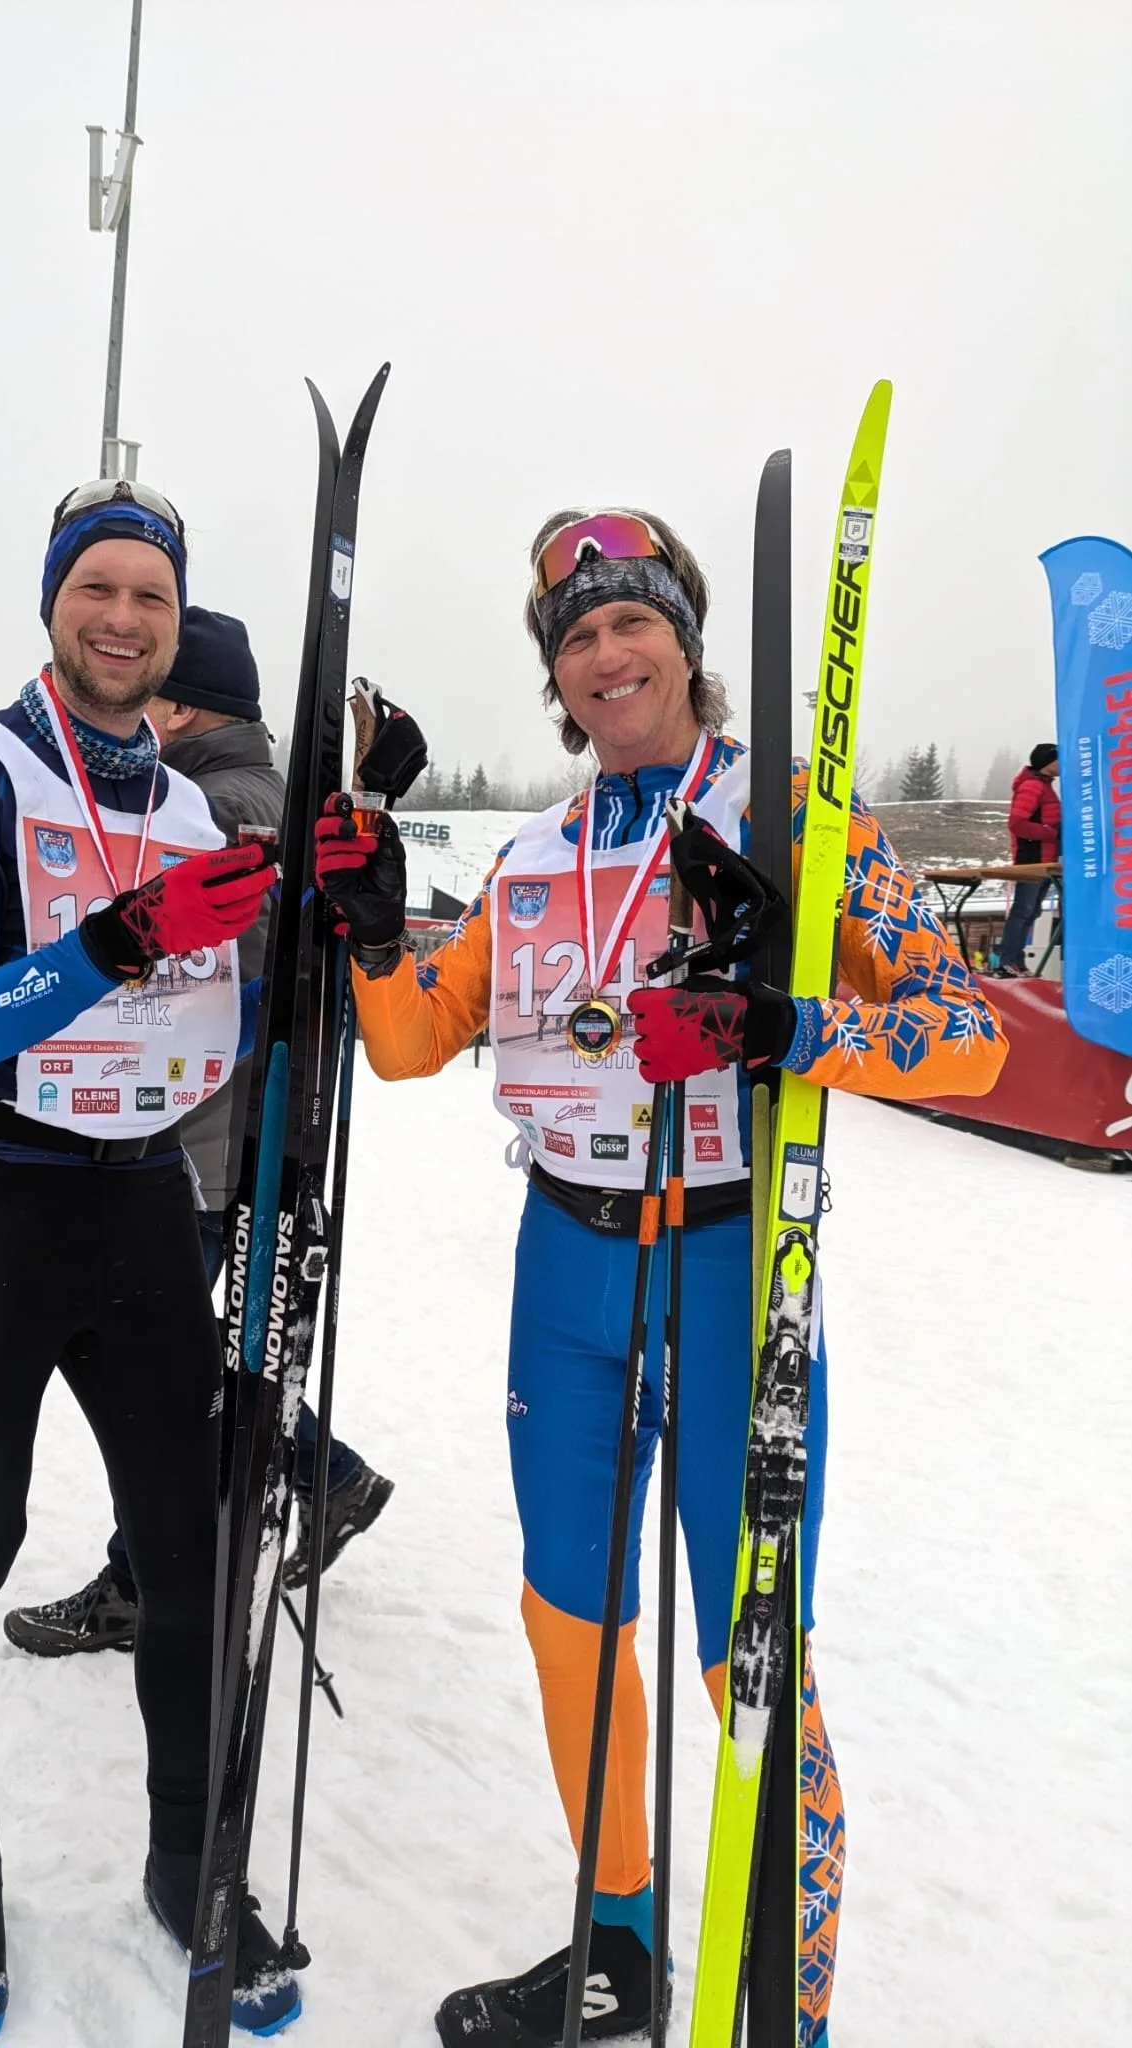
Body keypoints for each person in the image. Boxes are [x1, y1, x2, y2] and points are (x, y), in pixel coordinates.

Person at [314, 507, 1007, 2048]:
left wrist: (783, 1026)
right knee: (569, 1618)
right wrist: (367, 934)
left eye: (632, 622)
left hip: (729, 1263)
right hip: (563, 1265)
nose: (606, 653)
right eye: (577, 636)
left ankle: (785, 2005)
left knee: (744, 1648)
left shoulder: (798, 819)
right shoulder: (534, 857)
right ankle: (615, 1943)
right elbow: (412, 1040)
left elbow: (967, 1037)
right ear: (557, 680)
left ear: (686, 644)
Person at [0, 481, 300, 2040]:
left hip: (137, 1205)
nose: (124, 620)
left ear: (178, 625)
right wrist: (118, 940)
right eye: (98, 589)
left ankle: (187, 1861)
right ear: (53, 600)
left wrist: (319, 911)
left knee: (187, 1552)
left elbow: (230, 1032)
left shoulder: (190, 808)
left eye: (152, 598)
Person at [1, 607, 394, 1661]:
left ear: (181, 707)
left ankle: (147, 1577)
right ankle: (323, 1474)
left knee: (151, 1371)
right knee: (192, 1353)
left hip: (193, 1141)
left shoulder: (204, 809)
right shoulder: (269, 795)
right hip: (241, 1135)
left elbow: (173, 989)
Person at [995, 741, 1060, 975]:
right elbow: (1017, 823)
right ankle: (1007, 961)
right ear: (1047, 762)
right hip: (1032, 859)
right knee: (1023, 910)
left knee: (1031, 912)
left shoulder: (1045, 786)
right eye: (1058, 759)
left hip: (1045, 860)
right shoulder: (1032, 786)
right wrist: (1052, 833)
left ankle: (1017, 961)